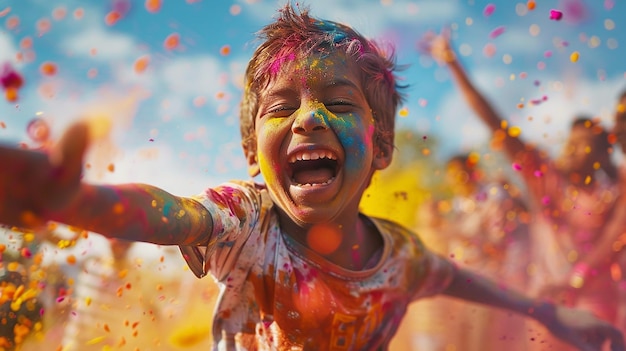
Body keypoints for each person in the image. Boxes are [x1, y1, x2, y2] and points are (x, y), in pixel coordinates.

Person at [0, 4, 624, 350]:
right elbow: (171, 213)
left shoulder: (401, 258)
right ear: (253, 155)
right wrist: (77, 202)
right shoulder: (245, 223)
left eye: (340, 103)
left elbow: (462, 281)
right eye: (281, 106)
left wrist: (552, 314)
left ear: (381, 149)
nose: (309, 118)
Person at [424, 31, 623, 349]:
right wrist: (452, 63)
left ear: (602, 157)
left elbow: (615, 237)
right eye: (569, 142)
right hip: (545, 306)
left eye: (581, 145)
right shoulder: (545, 176)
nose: (568, 150)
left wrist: (575, 281)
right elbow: (495, 124)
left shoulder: (615, 191)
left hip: (597, 307)